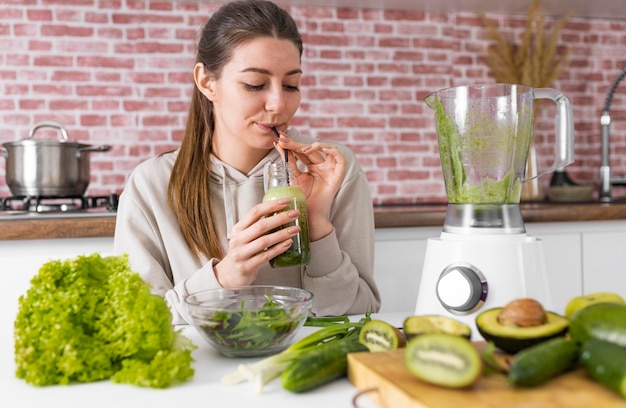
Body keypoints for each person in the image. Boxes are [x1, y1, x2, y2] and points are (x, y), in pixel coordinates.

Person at [113, 0, 380, 325]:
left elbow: (360, 311)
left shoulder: (332, 170)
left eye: (291, 85)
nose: (279, 103)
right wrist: (225, 276)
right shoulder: (151, 185)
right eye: (255, 84)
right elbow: (138, 322)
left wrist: (318, 225)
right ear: (207, 82)